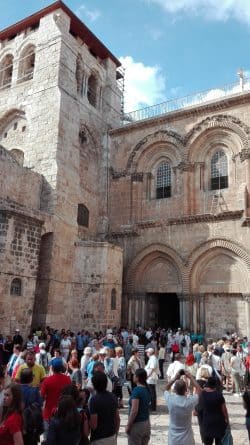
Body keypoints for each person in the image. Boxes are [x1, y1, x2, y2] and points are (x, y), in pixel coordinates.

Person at [164, 370, 201, 445]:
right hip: (187, 439)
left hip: (173, 438)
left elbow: (165, 389)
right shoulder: (190, 401)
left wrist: (174, 378)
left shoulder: (170, 400)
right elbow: (199, 390)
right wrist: (190, 377)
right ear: (186, 390)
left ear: (174, 390)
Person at [41, 358, 71, 439]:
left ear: (52, 368)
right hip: (64, 414)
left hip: (49, 414)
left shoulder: (47, 381)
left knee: (48, 439)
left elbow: (42, 397)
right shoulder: (68, 379)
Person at [89, 371, 120, 445]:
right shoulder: (113, 397)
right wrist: (116, 433)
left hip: (99, 438)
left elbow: (94, 425)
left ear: (94, 384)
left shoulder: (94, 400)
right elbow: (117, 418)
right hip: (112, 436)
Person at [198, 376, 229, 445]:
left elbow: (199, 409)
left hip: (207, 422)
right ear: (215, 385)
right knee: (219, 442)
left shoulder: (203, 394)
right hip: (218, 422)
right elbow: (224, 410)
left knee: (208, 443)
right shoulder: (219, 395)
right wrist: (227, 420)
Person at [126, 368, 151, 445]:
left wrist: (128, 425)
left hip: (137, 425)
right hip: (146, 423)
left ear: (137, 377)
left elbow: (134, 410)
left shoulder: (136, 390)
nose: (133, 377)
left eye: (134, 375)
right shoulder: (147, 389)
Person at [20, 368, 43, 445]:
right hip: (31, 426)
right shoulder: (35, 391)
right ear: (32, 378)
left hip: (17, 423)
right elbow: (40, 407)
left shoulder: (14, 389)